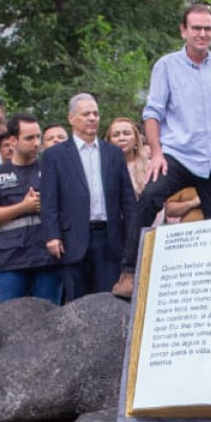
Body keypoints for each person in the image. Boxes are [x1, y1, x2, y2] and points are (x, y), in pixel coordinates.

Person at [111, 2, 211, 297]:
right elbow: (152, 113)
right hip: (178, 154)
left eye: (207, 28)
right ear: (183, 31)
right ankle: (128, 272)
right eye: (196, 28)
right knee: (149, 197)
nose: (202, 34)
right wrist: (157, 153)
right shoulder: (167, 66)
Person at [40, 94, 138, 301]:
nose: (92, 118)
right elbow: (49, 200)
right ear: (71, 118)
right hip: (72, 239)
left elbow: (127, 200)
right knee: (77, 302)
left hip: (109, 238)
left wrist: (132, 237)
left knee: (109, 301)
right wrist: (52, 235)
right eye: (86, 114)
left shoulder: (114, 153)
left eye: (95, 113)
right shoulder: (55, 156)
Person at [0, 115, 61, 303]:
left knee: (49, 317)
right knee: (10, 320)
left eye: (38, 137)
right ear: (13, 140)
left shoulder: (51, 170)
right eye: (29, 138)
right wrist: (23, 207)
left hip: (47, 258)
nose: (36, 143)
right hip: (12, 259)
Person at [108, 116, 151, 196]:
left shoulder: (150, 167)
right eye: (116, 135)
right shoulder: (103, 169)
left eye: (126, 133)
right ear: (109, 141)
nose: (121, 138)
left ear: (136, 140)